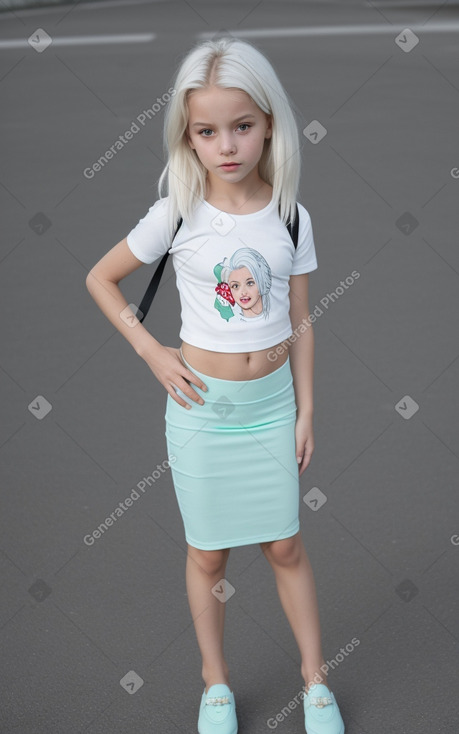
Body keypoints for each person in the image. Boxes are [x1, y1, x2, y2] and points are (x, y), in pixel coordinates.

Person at [86, 36, 345, 734]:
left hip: (271, 408)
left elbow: (301, 323)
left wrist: (306, 408)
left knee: (285, 544)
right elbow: (99, 278)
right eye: (206, 130)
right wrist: (151, 352)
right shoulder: (179, 209)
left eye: (242, 126)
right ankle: (214, 684)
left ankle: (314, 682)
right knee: (208, 553)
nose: (226, 144)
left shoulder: (291, 216)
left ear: (268, 124)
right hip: (201, 409)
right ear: (187, 135)